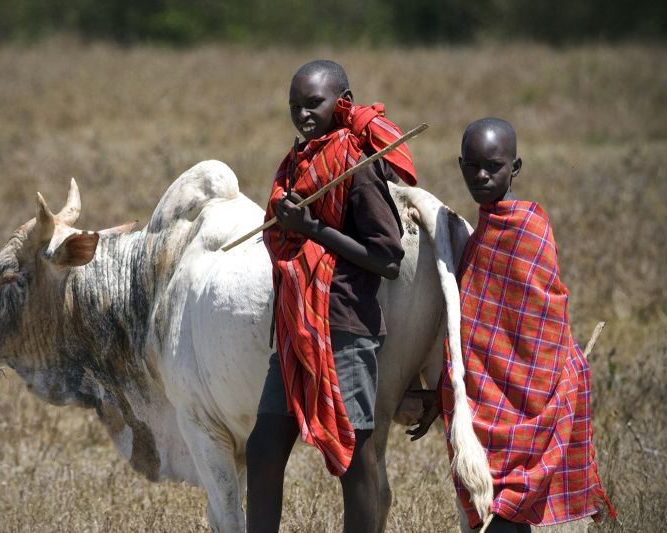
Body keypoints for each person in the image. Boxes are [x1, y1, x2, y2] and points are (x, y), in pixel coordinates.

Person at [245, 59, 417, 533]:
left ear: (342, 102)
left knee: (355, 456)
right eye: (294, 105)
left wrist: (313, 230)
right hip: (296, 324)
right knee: (262, 448)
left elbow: (387, 258)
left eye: (313, 103)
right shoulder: (297, 163)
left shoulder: (356, 166)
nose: (302, 114)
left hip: (344, 327)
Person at [435, 117, 616, 532]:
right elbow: (477, 327)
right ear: (460, 164)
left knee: (505, 515)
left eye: (493, 166)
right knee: (494, 511)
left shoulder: (529, 228)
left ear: (515, 167)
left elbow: (544, 321)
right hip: (486, 401)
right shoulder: (480, 231)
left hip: (533, 397)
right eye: (472, 165)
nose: (481, 175)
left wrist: (531, 391)